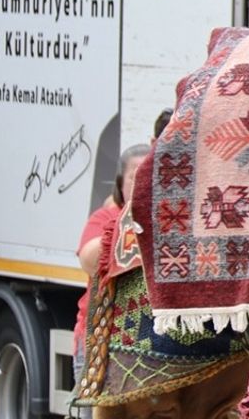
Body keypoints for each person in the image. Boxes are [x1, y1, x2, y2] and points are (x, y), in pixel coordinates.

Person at [72, 144, 149, 383]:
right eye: (135, 176)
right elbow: (89, 260)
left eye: (148, 175)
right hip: (100, 340)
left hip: (146, 346)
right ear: (119, 182)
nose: (141, 183)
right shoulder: (105, 218)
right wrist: (127, 219)